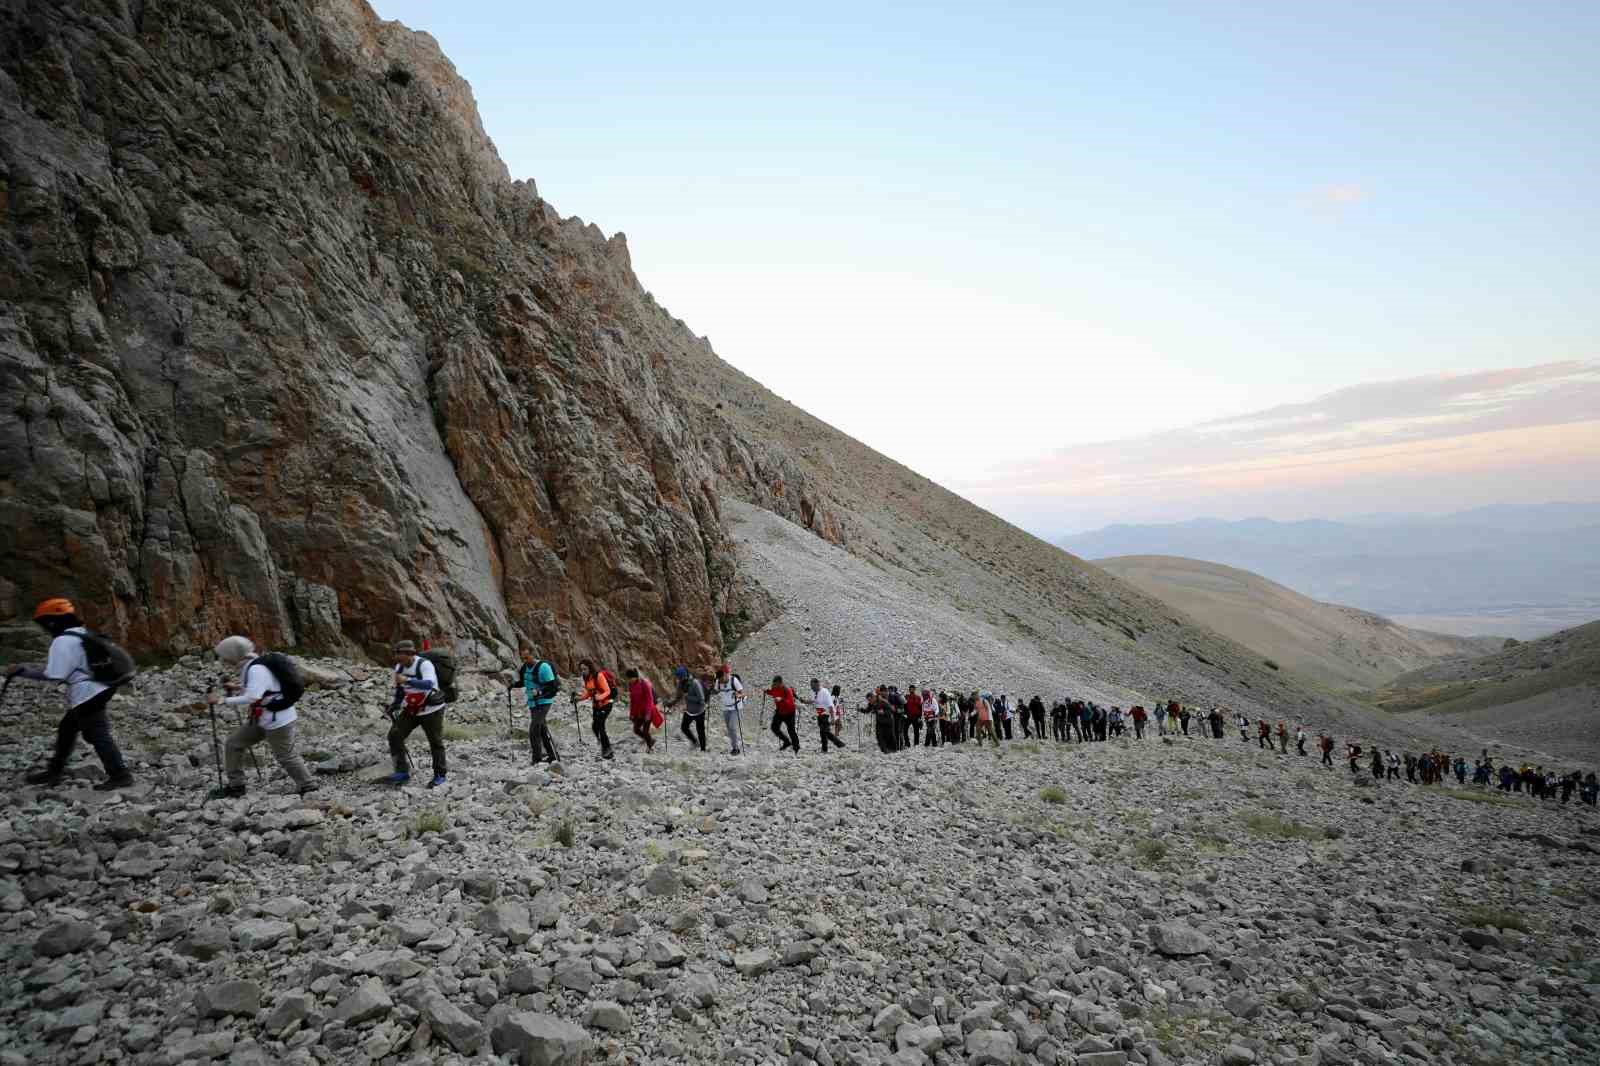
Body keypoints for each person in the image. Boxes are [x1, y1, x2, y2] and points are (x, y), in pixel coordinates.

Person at [8, 598, 134, 790]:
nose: (44, 629)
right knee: (68, 727)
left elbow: (54, 675)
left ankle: (120, 775)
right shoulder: (82, 633)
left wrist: (23, 671)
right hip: (103, 686)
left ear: (52, 622)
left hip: (87, 693)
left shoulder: (62, 641)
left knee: (98, 734)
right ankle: (55, 770)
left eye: (44, 624)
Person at [207, 636, 317, 798]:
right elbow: (262, 689)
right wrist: (237, 687)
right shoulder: (253, 664)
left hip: (277, 720)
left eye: (226, 656)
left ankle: (308, 786)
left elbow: (253, 697)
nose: (224, 660)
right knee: (233, 743)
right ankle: (237, 786)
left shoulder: (255, 669)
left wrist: (221, 700)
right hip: (263, 717)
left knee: (286, 755)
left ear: (234, 655)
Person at [386, 640, 448, 787]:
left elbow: (428, 684)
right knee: (394, 735)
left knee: (435, 742)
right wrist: (395, 705)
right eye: (396, 654)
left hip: (432, 709)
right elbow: (401, 690)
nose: (397, 658)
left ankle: (440, 775)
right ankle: (402, 771)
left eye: (399, 654)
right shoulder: (399, 668)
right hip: (412, 708)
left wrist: (407, 679)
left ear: (409, 654)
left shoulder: (425, 665)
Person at [516, 647, 560, 765]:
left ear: (533, 655)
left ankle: (537, 759)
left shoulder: (544, 667)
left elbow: (552, 685)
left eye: (527, 657)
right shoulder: (524, 668)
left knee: (534, 729)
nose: (525, 660)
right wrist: (513, 685)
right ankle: (553, 756)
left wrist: (539, 692)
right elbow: (523, 682)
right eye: (523, 658)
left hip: (545, 701)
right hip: (532, 703)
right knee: (541, 729)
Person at [576, 660, 616, 760]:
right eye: (581, 669)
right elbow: (589, 693)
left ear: (590, 668)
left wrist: (600, 697)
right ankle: (604, 745)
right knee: (595, 726)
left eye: (585, 669)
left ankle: (608, 750)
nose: (583, 671)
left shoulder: (599, 676)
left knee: (600, 725)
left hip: (606, 704)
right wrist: (579, 699)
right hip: (596, 705)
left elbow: (608, 691)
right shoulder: (586, 678)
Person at [665, 667, 708, 751]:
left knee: (700, 730)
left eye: (680, 678)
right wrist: (669, 704)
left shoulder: (695, 683)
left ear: (685, 676)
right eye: (678, 678)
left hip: (700, 710)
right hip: (689, 710)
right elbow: (678, 697)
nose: (679, 680)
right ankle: (695, 742)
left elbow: (701, 699)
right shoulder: (681, 684)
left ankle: (703, 749)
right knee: (684, 727)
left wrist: (688, 697)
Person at [711, 664, 745, 755]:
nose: (721, 682)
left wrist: (738, 695)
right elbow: (716, 691)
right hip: (725, 707)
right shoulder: (718, 682)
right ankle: (734, 745)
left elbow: (742, 694)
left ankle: (736, 749)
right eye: (719, 680)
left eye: (722, 679)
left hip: (736, 707)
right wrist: (710, 692)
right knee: (729, 729)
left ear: (726, 674)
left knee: (732, 727)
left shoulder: (734, 680)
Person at [764, 676, 801, 753]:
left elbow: (790, 703)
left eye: (776, 684)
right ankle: (786, 742)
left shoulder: (787, 690)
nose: (774, 685)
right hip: (780, 712)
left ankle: (796, 747)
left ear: (780, 683)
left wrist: (781, 699)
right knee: (774, 727)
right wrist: (767, 691)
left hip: (790, 713)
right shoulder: (774, 688)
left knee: (791, 730)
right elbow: (772, 692)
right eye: (774, 684)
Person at [626, 668, 658, 752]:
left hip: (648, 710)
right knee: (636, 729)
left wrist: (648, 714)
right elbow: (632, 700)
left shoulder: (644, 684)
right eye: (628, 679)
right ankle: (650, 741)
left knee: (645, 730)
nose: (629, 680)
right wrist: (632, 713)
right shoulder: (631, 685)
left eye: (630, 678)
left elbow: (649, 699)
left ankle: (650, 748)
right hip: (639, 712)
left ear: (635, 677)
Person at [808, 679, 841, 753]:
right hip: (820, 714)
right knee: (824, 732)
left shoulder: (825, 692)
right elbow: (813, 700)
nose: (811, 687)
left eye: (812, 686)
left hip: (826, 714)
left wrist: (832, 717)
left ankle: (837, 745)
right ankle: (831, 746)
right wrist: (805, 701)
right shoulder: (815, 692)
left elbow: (831, 706)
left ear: (817, 684)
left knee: (824, 731)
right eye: (811, 686)